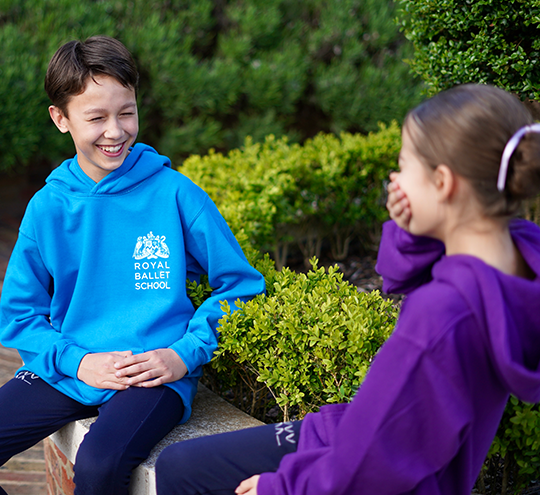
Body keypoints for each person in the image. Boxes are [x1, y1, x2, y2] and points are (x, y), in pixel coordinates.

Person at [155, 84, 540, 495]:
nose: (395, 177)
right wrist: (413, 230)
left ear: (443, 182)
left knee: (182, 472)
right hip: (377, 442)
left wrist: (282, 488)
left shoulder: (442, 313)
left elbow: (372, 466)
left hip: (369, 462)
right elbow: (401, 278)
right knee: (180, 463)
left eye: (404, 163)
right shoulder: (519, 249)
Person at [0, 35, 265, 495]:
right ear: (60, 119)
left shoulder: (175, 193)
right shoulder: (47, 207)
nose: (116, 131)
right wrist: (79, 362)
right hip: (71, 367)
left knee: (100, 465)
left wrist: (183, 353)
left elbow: (240, 285)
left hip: (151, 373)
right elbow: (18, 314)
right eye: (96, 117)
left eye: (127, 112)